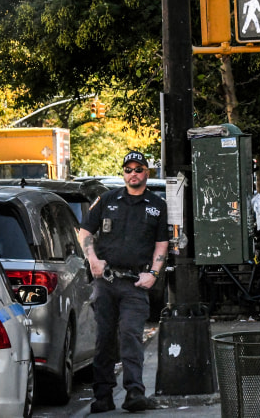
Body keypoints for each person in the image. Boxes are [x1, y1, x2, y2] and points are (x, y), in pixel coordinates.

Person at [78, 151, 169, 413]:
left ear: (146, 173)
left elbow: (162, 243)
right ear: (123, 173)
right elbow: (85, 231)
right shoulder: (107, 200)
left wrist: (153, 273)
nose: (133, 173)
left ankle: (134, 393)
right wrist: (92, 259)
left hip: (135, 283)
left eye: (138, 169)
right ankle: (103, 395)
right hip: (106, 282)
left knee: (130, 335)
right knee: (105, 339)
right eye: (128, 169)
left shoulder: (156, 205)